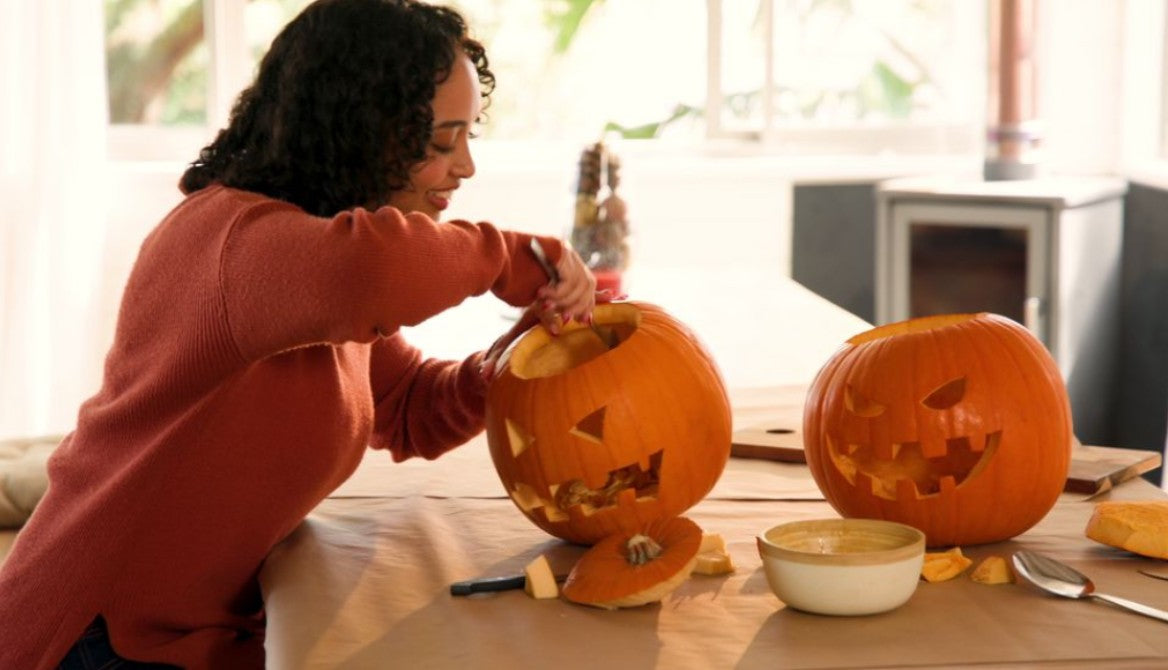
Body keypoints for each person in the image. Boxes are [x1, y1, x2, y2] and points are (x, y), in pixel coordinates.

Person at [0, 0, 596, 667]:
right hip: (93, 634)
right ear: (361, 130)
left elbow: (407, 409)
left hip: (193, 630)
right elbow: (375, 269)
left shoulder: (314, 268)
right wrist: (515, 257)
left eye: (468, 137)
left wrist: (519, 357)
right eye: (439, 142)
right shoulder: (234, 241)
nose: (464, 168)